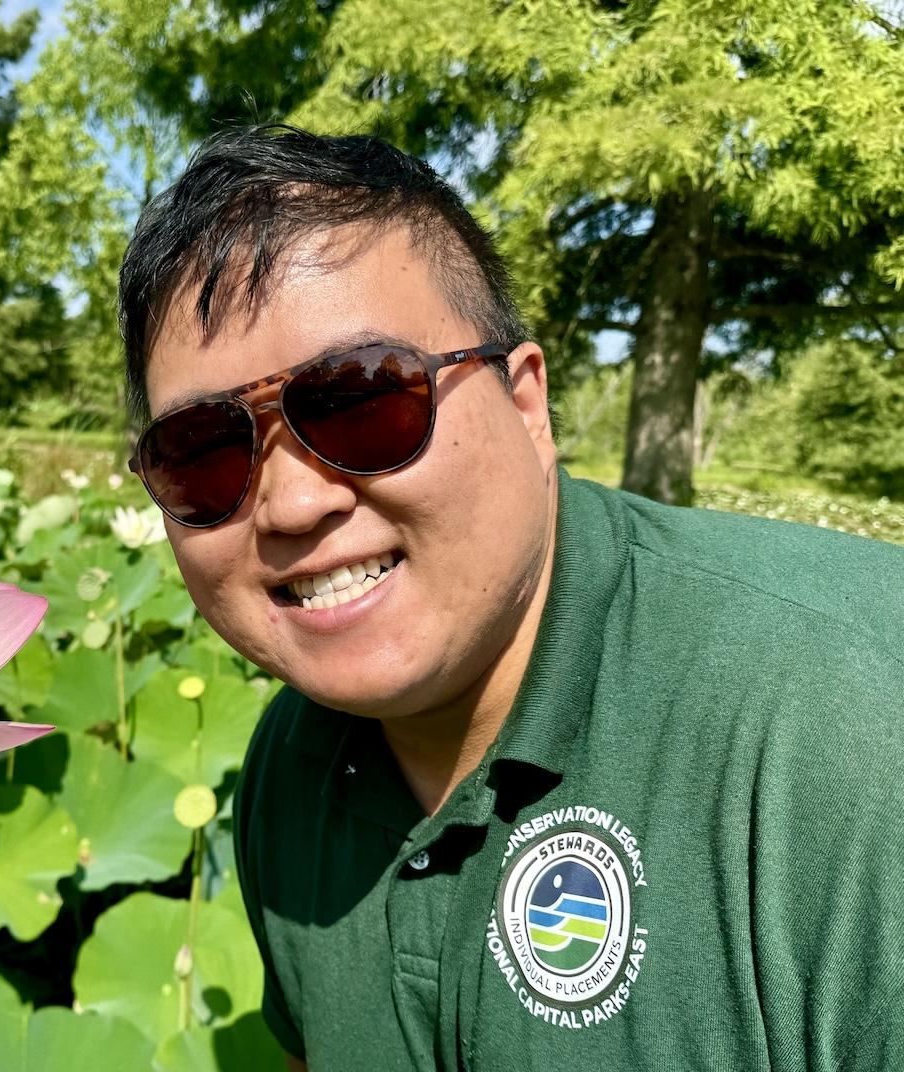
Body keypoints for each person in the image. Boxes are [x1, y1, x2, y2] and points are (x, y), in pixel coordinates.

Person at [118, 124, 904, 1071]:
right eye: (201, 453)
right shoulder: (285, 769)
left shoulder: (851, 734)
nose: (291, 503)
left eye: (363, 399)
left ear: (527, 404)